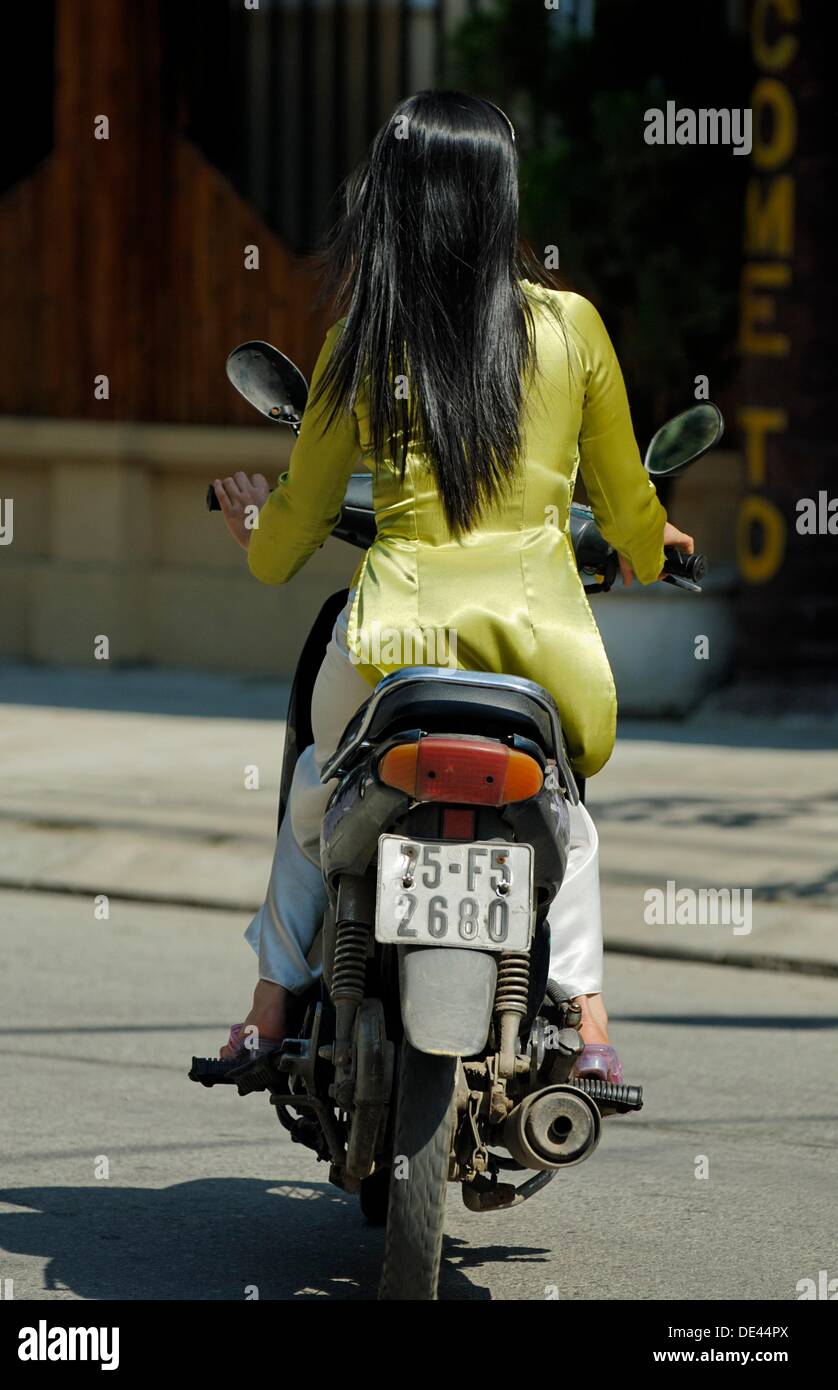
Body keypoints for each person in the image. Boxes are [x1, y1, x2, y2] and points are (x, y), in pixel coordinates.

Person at [213, 91, 694, 1079]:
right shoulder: (571, 330)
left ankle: (266, 1014)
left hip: (390, 652)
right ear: (502, 196)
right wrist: (656, 541)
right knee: (567, 821)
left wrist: (248, 514)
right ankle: (591, 1030)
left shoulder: (362, 339)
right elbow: (631, 518)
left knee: (315, 784)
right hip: (544, 659)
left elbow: (283, 546)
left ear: (388, 197)